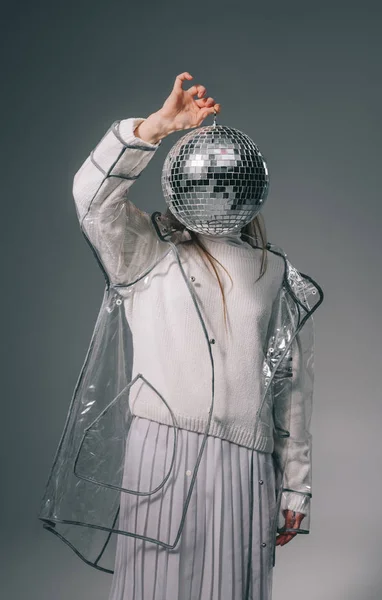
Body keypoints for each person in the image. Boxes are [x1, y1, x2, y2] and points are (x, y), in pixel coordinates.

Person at [39, 71, 323, 600]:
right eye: (202, 177)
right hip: (160, 453)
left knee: (230, 589)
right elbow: (91, 201)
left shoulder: (273, 273)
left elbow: (290, 391)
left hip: (245, 463)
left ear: (245, 184)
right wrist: (156, 128)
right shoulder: (146, 250)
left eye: (225, 179)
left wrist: (296, 486)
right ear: (182, 180)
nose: (213, 188)